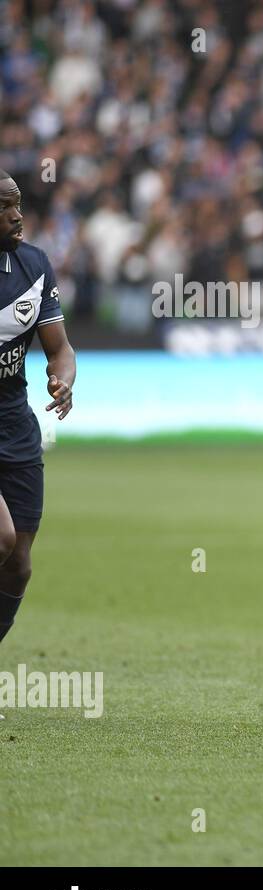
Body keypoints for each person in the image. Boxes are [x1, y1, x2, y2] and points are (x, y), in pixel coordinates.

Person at [0, 171, 76, 648]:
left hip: (14, 422)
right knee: (0, 539)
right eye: (5, 207)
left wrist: (62, 380)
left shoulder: (34, 265)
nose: (17, 214)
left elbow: (60, 349)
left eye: (19, 204)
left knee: (19, 564)